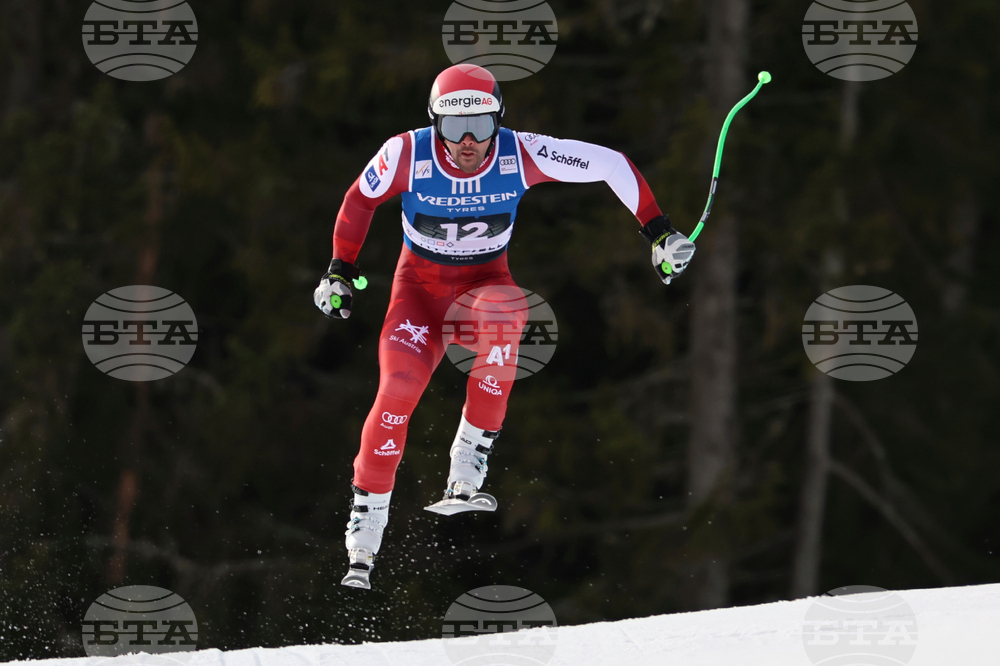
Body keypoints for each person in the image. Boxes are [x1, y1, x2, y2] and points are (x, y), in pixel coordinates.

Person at [314, 64, 696, 588]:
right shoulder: (406, 152)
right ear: (434, 124)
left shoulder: (522, 152)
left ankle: (469, 459)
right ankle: (367, 517)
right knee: (397, 389)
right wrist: (340, 269)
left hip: (484, 286)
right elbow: (360, 198)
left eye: (481, 126)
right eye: (452, 129)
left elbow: (610, 164)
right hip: (419, 296)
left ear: (500, 120)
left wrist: (659, 231)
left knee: (504, 314)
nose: (467, 142)